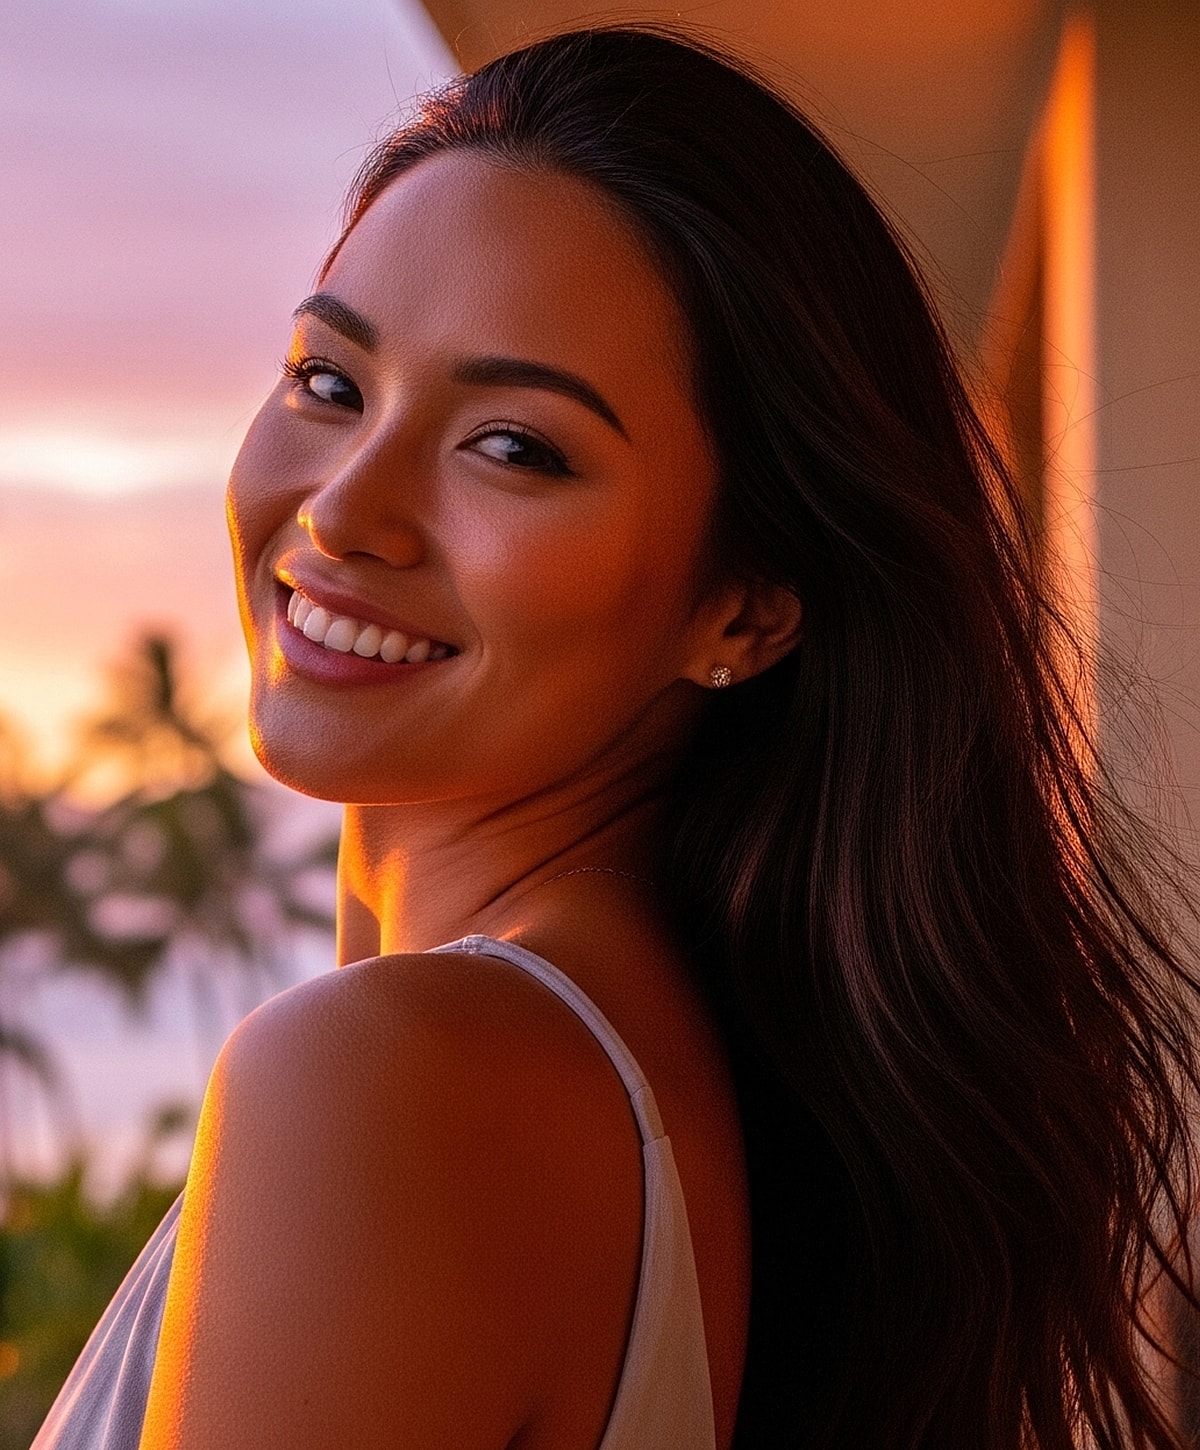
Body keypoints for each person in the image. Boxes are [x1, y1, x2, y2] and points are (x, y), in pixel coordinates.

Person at [33, 23, 1200, 1450]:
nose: (342, 510)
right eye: (329, 383)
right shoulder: (665, 1083)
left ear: (745, 604)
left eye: (516, 446)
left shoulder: (398, 1079)